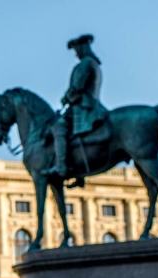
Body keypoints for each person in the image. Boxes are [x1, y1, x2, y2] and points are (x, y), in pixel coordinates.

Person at [43, 34, 108, 178]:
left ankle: (61, 166)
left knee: (58, 128)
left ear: (83, 48)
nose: (76, 54)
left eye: (77, 50)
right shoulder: (94, 63)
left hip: (84, 107)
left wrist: (65, 98)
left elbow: (76, 86)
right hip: (89, 104)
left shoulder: (85, 63)